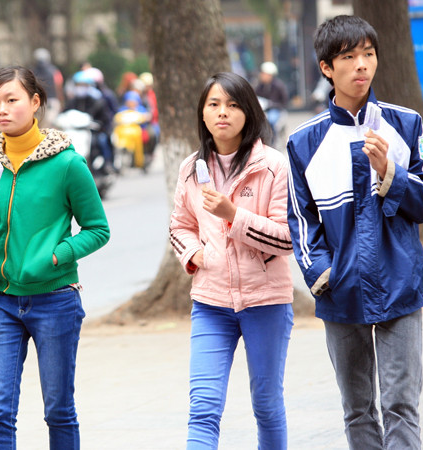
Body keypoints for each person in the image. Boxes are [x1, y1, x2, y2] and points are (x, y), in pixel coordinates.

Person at [287, 15, 423, 449]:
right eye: (349, 57)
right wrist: (322, 273)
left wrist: (390, 171)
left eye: (368, 54)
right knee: (357, 409)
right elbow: (300, 218)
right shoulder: (304, 142)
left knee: (402, 405)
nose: (361, 65)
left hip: (399, 283)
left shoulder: (405, 123)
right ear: (326, 67)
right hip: (340, 290)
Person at [0, 65, 110, 449]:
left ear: (34, 102)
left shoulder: (67, 164)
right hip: (2, 301)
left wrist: (57, 256)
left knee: (58, 410)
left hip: (55, 301)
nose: (1, 109)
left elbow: (98, 229)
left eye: (11, 100)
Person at [169, 72, 294, 449]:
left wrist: (233, 215)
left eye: (233, 104)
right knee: (203, 408)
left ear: (249, 112)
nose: (223, 112)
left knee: (267, 405)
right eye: (214, 104)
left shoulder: (273, 166)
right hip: (210, 303)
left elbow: (287, 237)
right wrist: (195, 253)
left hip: (266, 302)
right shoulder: (191, 168)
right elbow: (180, 225)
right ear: (203, 113)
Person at [254, 61, 288, 145]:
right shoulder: (260, 85)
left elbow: (284, 102)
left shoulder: (279, 86)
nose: (261, 75)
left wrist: (271, 104)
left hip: (276, 110)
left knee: (271, 120)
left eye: (263, 73)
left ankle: (272, 141)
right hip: (263, 110)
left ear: (270, 75)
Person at [33, 47, 64, 128]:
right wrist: (61, 101)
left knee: (40, 125)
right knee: (52, 124)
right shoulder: (54, 71)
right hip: (52, 101)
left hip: (38, 102)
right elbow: (59, 86)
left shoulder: (32, 72)